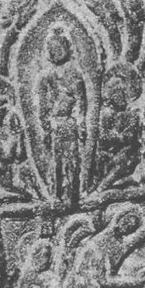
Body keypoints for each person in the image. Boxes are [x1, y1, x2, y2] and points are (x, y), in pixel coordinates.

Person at [37, 27, 88, 204]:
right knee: (56, 161)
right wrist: (45, 125)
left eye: (59, 47)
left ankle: (73, 194)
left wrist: (81, 123)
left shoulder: (74, 74)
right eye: (52, 48)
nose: (55, 52)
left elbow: (81, 102)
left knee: (72, 159)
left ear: (67, 48)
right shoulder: (46, 76)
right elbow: (43, 104)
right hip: (54, 124)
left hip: (69, 123)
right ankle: (56, 194)